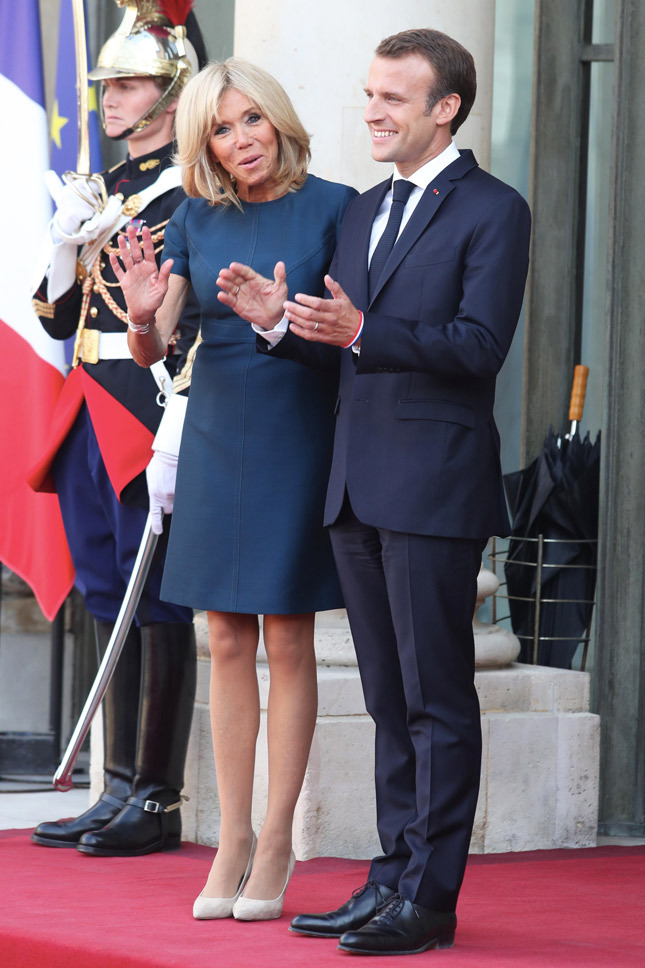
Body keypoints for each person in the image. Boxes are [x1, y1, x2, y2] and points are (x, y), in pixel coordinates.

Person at [238, 27, 531, 955]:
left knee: (435, 698)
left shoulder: (495, 209)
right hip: (355, 487)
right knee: (386, 698)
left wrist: (362, 329)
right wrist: (281, 328)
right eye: (368, 94)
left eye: (392, 98)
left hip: (434, 486)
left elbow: (478, 347)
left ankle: (429, 898)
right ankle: (391, 877)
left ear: (445, 108)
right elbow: (345, 347)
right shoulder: (363, 210)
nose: (371, 111)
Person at [112, 58, 357, 919]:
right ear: (203, 143)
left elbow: (350, 339)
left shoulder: (337, 207)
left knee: (286, 637)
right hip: (216, 432)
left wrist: (280, 319)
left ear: (278, 119)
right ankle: (233, 839)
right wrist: (140, 314)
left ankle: (279, 837)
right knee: (222, 636)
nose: (241, 138)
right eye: (221, 128)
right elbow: (157, 344)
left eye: (251, 119)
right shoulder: (194, 215)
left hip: (296, 429)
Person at [29, 3, 207, 857]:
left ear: (171, 95)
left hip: (145, 405)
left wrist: (180, 415)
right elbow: (58, 320)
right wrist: (67, 248)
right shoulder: (104, 187)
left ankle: (157, 797)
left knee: (156, 599)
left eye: (130, 85)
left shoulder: (191, 190)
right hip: (87, 402)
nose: (111, 99)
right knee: (106, 591)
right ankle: (116, 784)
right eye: (108, 85)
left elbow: (190, 319)